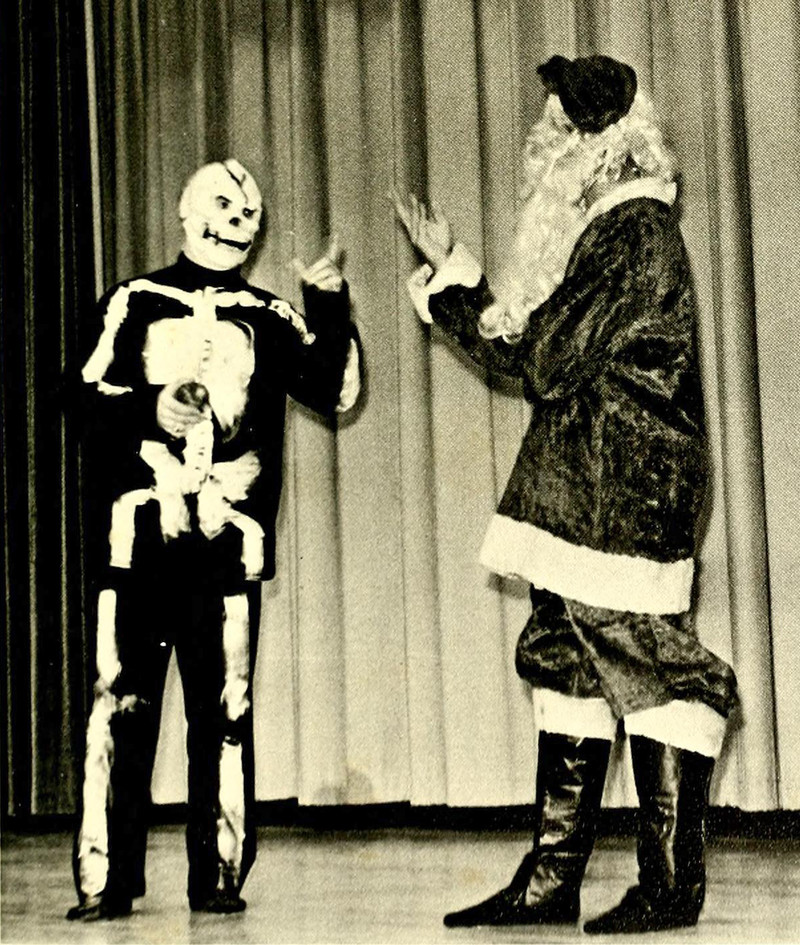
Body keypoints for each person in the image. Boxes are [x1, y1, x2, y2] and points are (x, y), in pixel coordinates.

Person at [394, 55, 737, 935]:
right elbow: (535, 350)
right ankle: (552, 882)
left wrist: (469, 287)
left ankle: (671, 884)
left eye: (554, 140)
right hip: (593, 485)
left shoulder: (630, 234)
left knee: (651, 666)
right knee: (569, 658)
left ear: (594, 149)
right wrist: (454, 271)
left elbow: (541, 357)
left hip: (619, 488)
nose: (541, 157)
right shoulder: (615, 235)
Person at [67, 159, 361, 920]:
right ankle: (106, 879)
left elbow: (335, 389)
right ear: (185, 210)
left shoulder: (268, 315)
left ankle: (219, 874)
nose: (240, 221)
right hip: (134, 546)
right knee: (117, 702)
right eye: (225, 205)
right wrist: (149, 408)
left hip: (226, 550)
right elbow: (79, 390)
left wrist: (328, 303)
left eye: (250, 211)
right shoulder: (133, 301)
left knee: (225, 709)